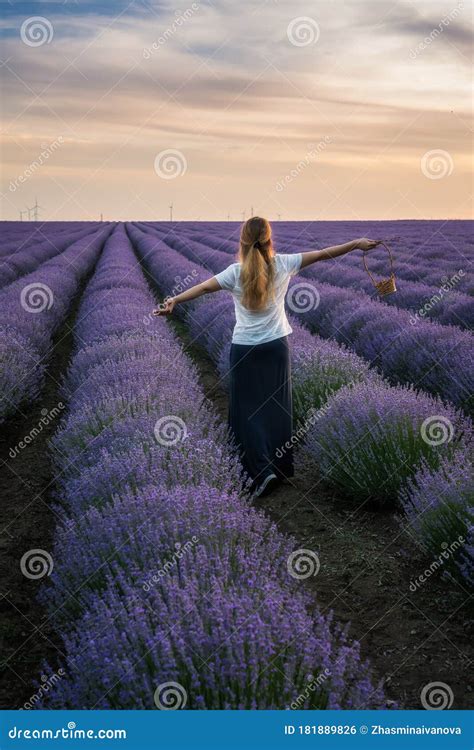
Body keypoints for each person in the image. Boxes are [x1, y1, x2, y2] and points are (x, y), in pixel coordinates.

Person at [154, 216, 380, 498]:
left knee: (246, 411)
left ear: (242, 242)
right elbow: (324, 254)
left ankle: (261, 471)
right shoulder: (284, 264)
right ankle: (279, 465)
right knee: (276, 407)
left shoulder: (235, 272)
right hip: (276, 347)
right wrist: (356, 244)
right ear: (269, 240)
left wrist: (174, 300)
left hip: (245, 349)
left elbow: (202, 288)